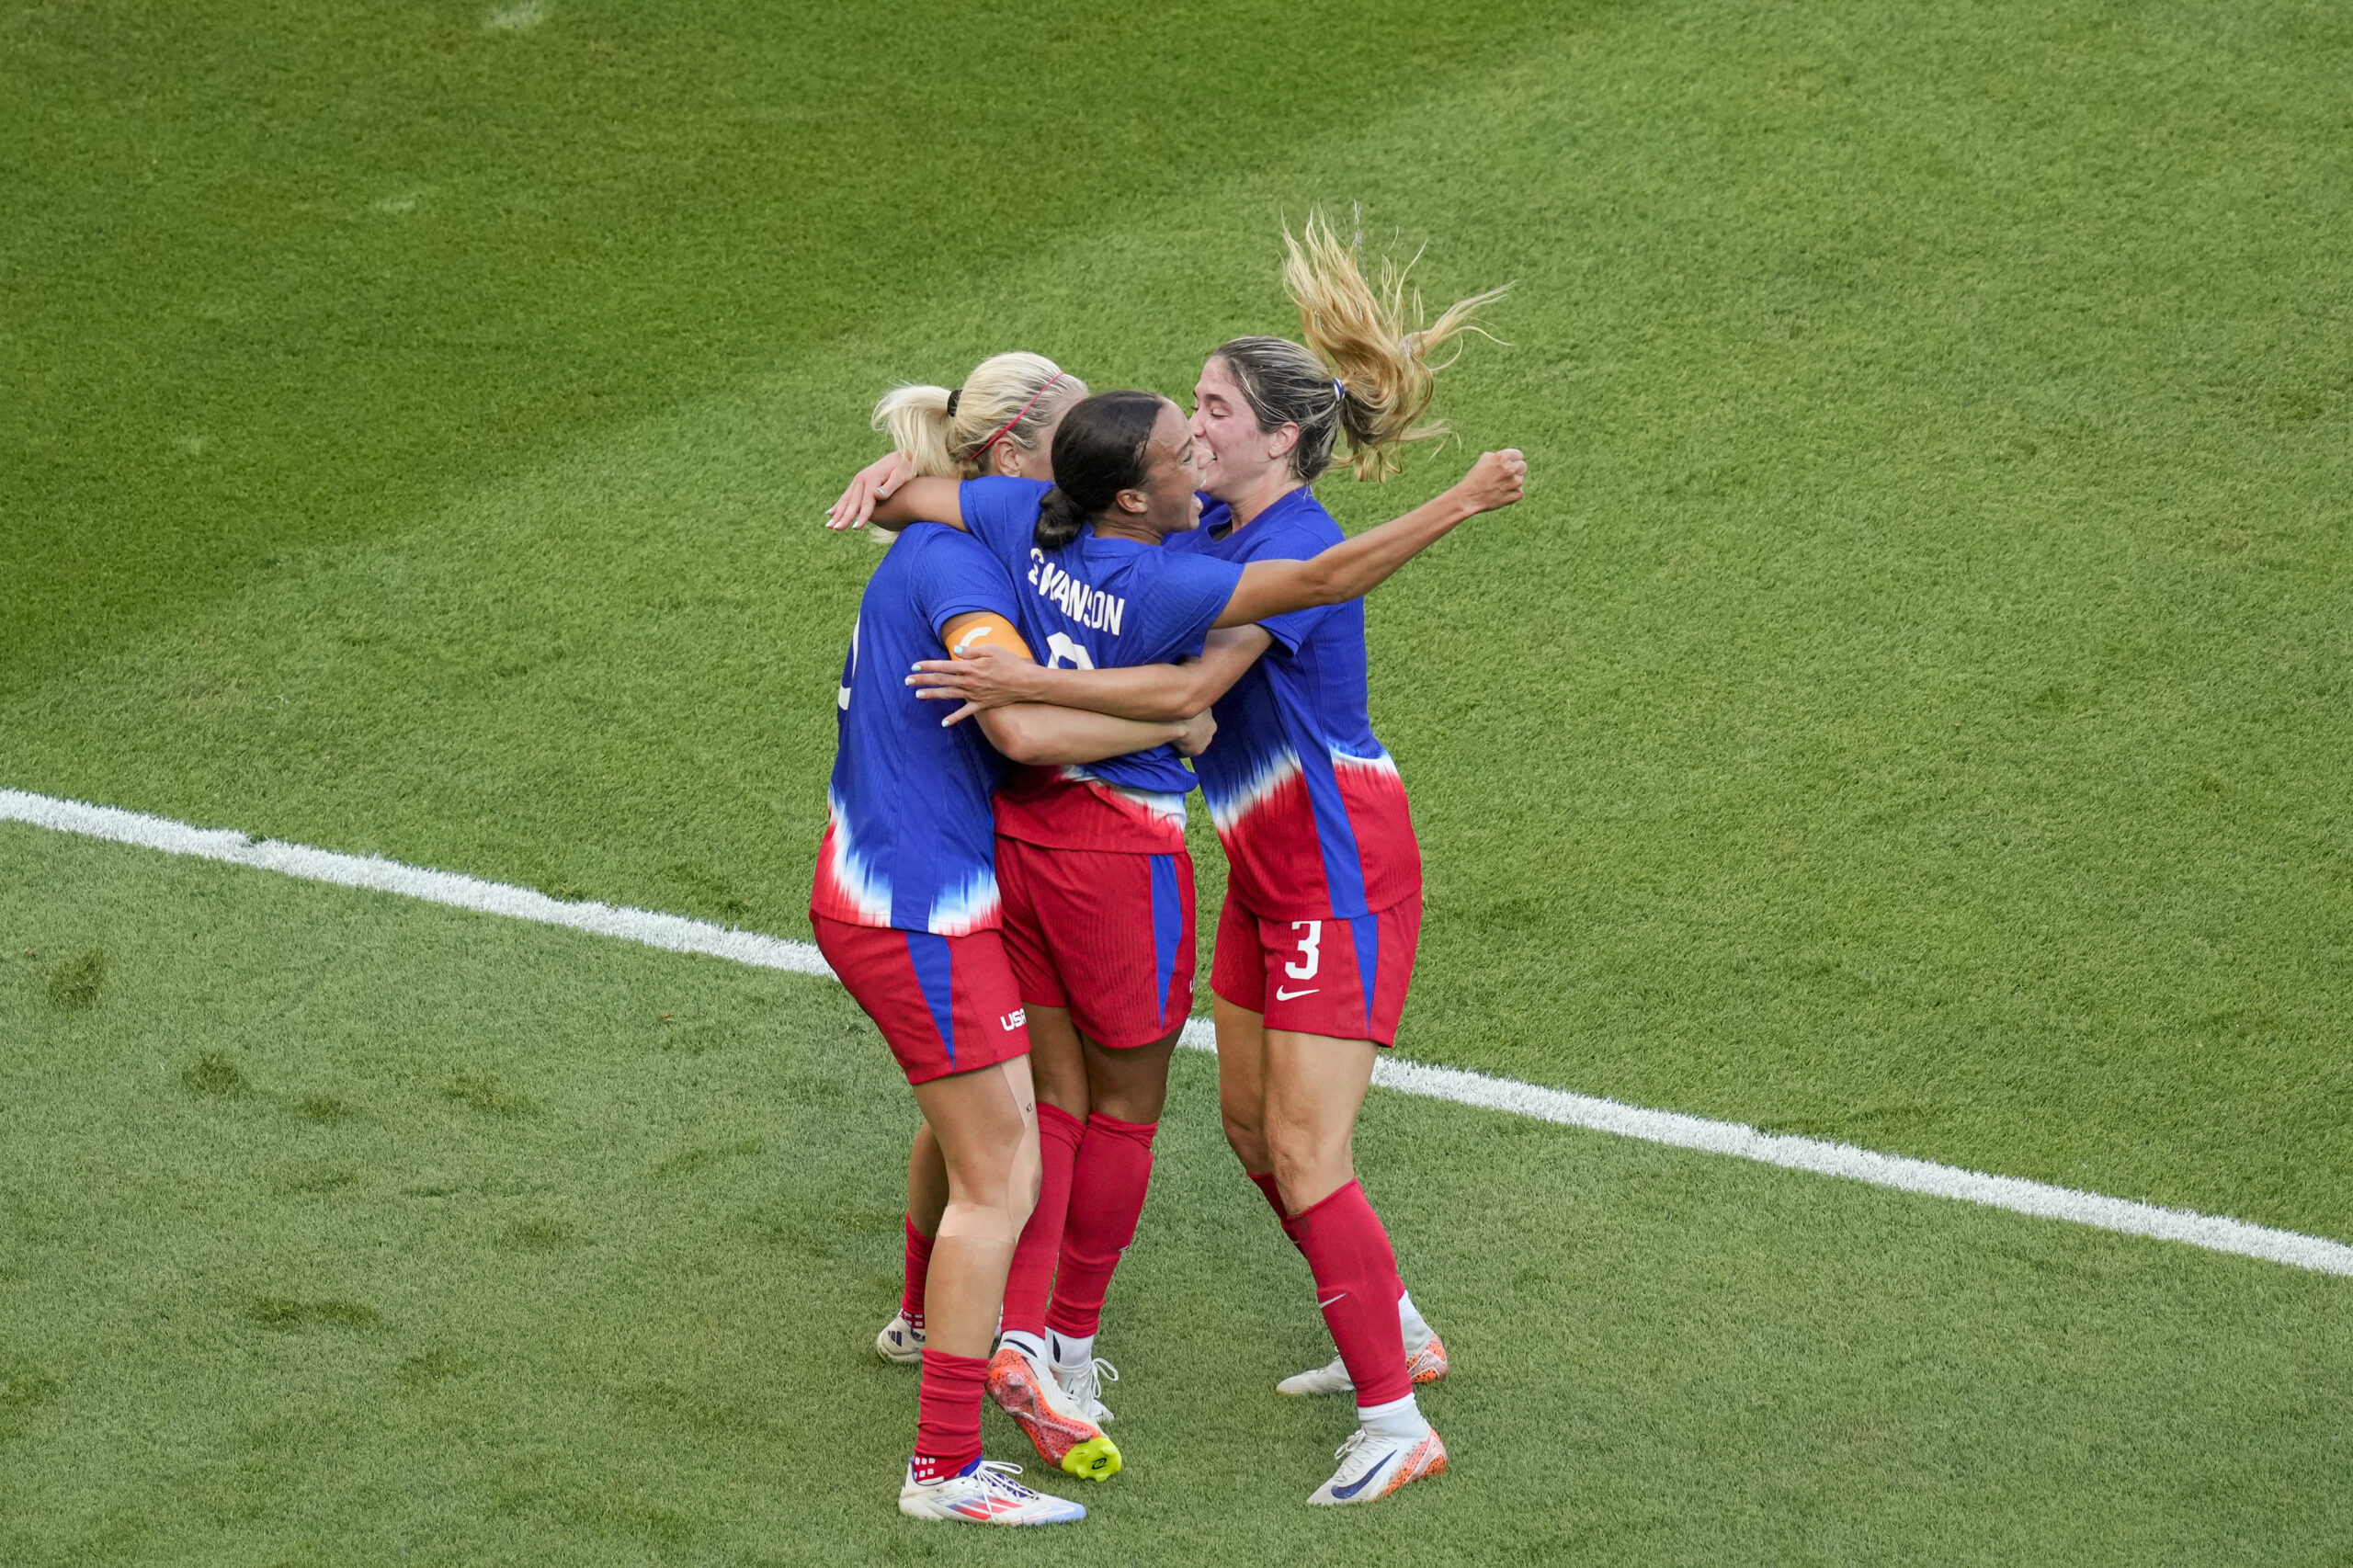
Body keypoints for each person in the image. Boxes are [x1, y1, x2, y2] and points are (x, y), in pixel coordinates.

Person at [890, 215, 1511, 1505]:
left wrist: (1017, 692)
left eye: (1215, 409)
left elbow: (1193, 682)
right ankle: (1392, 1326)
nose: (1197, 427)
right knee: (1242, 1125)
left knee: (1304, 1145)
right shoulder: (1210, 532)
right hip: (1266, 869)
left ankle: (1398, 1421)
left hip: (1340, 865)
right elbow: (1088, 539)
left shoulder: (1285, 546)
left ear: (1276, 436)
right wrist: (922, 489)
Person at [814, 487, 1203, 1524]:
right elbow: (1022, 725)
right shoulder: (962, 574)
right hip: (921, 910)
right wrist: (1174, 702)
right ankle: (943, 1468)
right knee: (1005, 1175)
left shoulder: (941, 545)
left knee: (966, 1128)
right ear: (1012, 454)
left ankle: (913, 1318)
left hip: (896, 889)